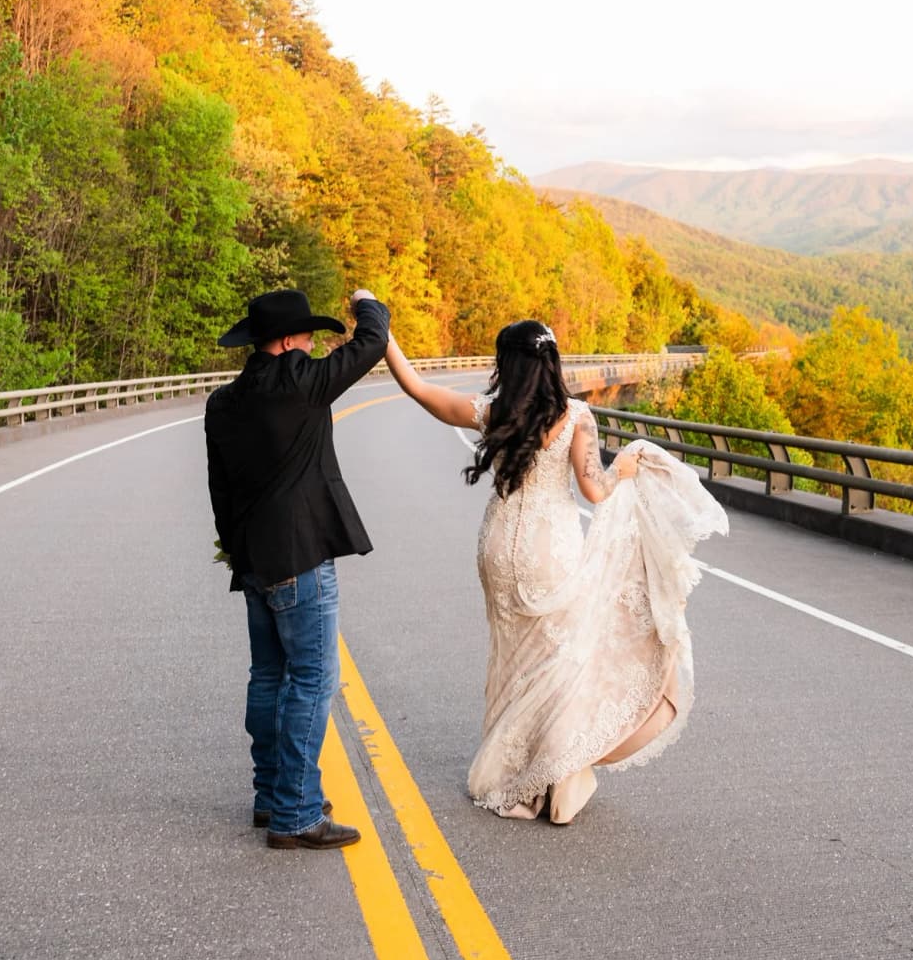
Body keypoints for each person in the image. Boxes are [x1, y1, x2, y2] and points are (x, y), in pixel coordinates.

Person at [383, 319, 725, 823]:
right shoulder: (576, 418)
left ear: (509, 364)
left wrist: (382, 328)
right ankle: (553, 780)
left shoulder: (492, 412)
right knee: (558, 663)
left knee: (513, 660)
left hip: (497, 550)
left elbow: (416, 387)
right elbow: (596, 491)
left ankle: (514, 774)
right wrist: (624, 469)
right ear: (552, 362)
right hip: (552, 552)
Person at [205, 287, 389, 850]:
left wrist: (236, 549)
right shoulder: (303, 384)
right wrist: (365, 300)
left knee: (267, 678)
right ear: (287, 342)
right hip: (300, 557)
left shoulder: (224, 403)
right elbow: (372, 340)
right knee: (312, 680)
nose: (312, 345)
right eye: (307, 336)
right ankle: (297, 813)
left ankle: (271, 795)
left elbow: (220, 488)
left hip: (254, 559)